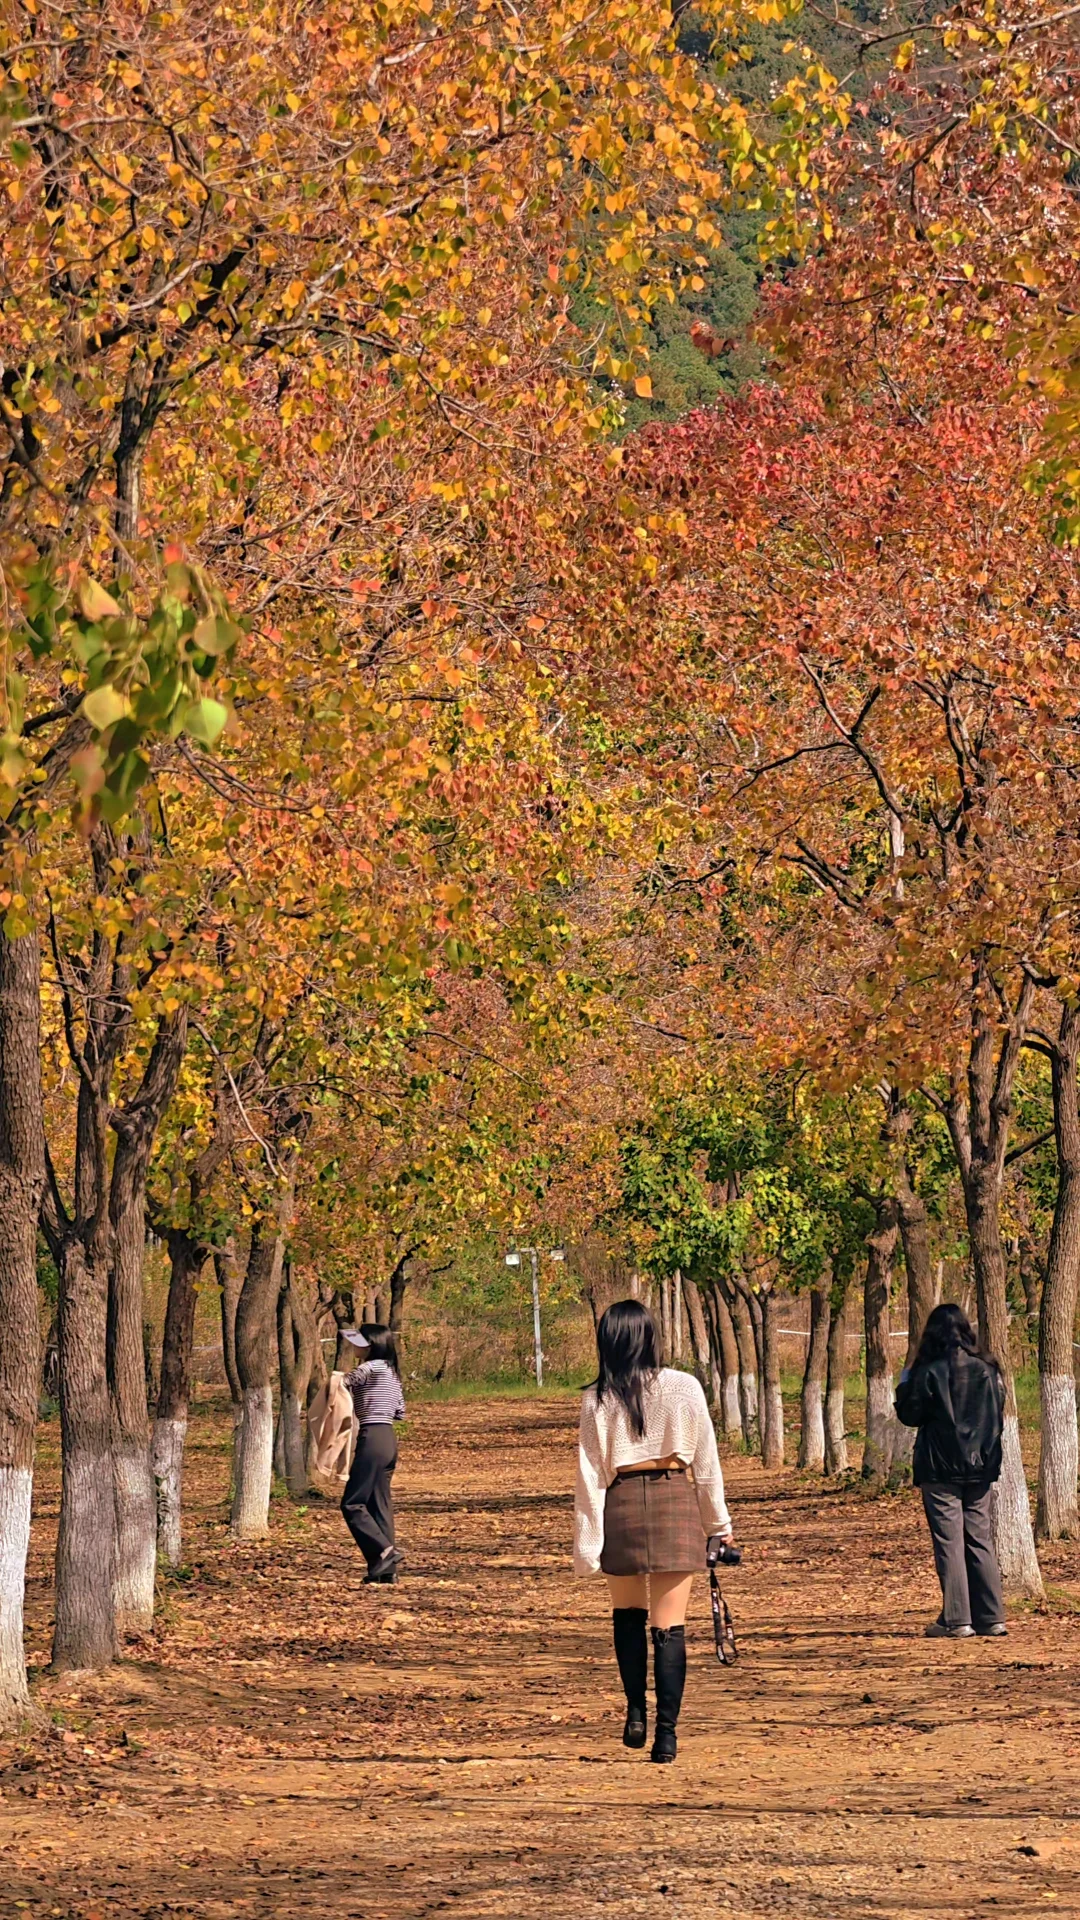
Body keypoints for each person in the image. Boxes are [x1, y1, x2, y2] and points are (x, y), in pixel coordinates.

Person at [575, 1298, 734, 1763]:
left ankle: (635, 1710)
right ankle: (667, 1735)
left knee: (627, 1617)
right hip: (674, 1502)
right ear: (650, 1337)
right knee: (670, 1627)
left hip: (620, 1504)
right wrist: (719, 1526)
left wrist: (589, 1544)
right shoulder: (684, 1387)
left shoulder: (596, 1398)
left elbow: (589, 1476)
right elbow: (706, 1463)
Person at [894, 1301, 1008, 1640]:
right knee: (980, 1538)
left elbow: (909, 1415)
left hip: (940, 1468)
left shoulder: (929, 1371)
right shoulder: (988, 1369)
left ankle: (957, 1620)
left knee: (949, 1541)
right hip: (981, 1466)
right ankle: (991, 1617)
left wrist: (904, 1382)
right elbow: (998, 1414)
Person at [340, 1324, 406, 1585]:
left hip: (372, 1437)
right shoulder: (391, 1372)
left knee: (352, 1503)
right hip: (388, 1440)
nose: (354, 1347)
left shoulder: (372, 1367)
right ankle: (385, 1571)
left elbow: (344, 1382)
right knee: (380, 1505)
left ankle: (384, 1550)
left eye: (358, 1342)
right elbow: (400, 1411)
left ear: (370, 1344)